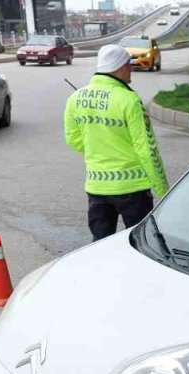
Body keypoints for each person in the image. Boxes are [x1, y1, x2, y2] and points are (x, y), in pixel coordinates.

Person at [64, 44, 169, 240]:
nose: (131, 70)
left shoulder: (75, 99)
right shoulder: (129, 100)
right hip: (133, 190)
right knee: (141, 244)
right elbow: (147, 148)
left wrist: (100, 149)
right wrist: (163, 188)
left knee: (100, 245)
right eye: (128, 65)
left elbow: (73, 139)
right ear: (118, 67)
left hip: (97, 187)